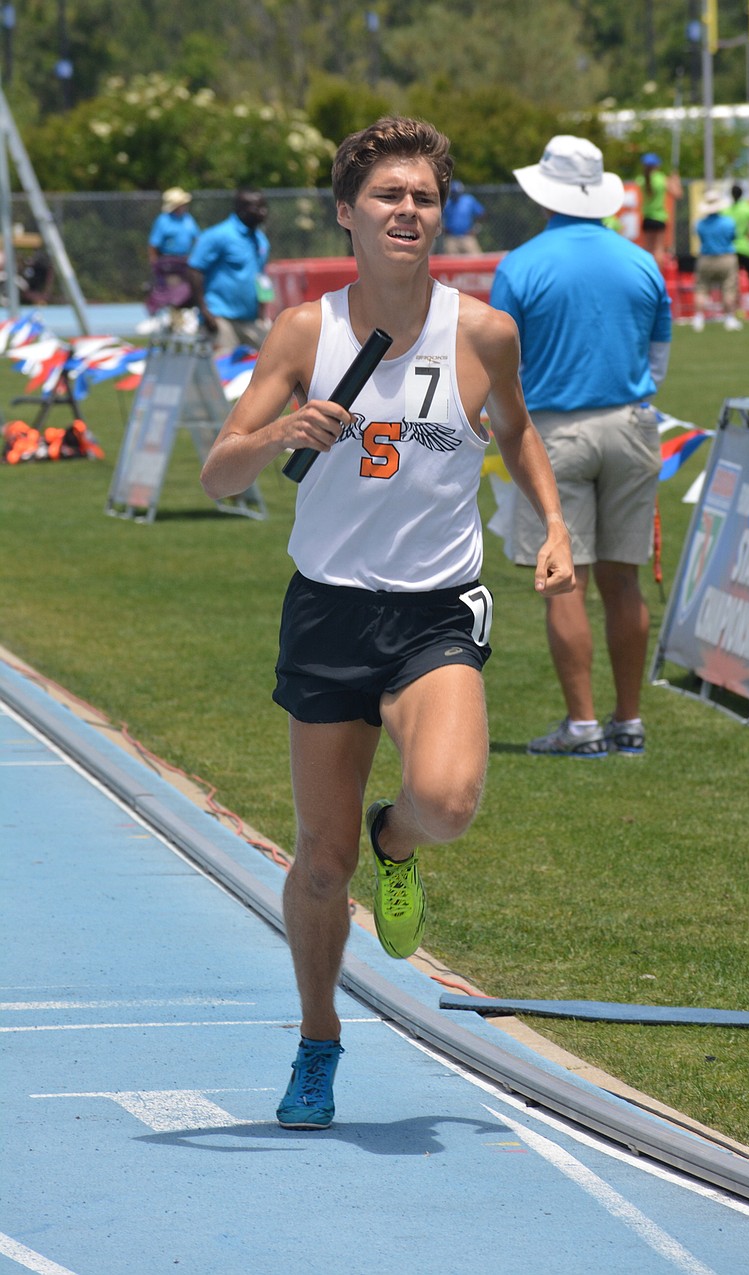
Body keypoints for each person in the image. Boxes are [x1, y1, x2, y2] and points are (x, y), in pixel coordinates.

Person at [199, 117, 575, 1128]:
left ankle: (395, 840)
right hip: (327, 609)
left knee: (446, 801)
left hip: (433, 610)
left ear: (438, 213)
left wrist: (551, 524)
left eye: (421, 196)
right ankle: (318, 1039)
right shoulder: (302, 335)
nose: (406, 210)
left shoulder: (483, 331)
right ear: (346, 215)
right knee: (321, 865)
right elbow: (218, 469)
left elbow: (518, 428)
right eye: (386, 196)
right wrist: (279, 428)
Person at [490, 135, 671, 759]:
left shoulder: (521, 265)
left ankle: (584, 725)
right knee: (624, 581)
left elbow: (498, 363)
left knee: (565, 580)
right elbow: (658, 358)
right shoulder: (641, 260)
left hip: (552, 433)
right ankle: (629, 721)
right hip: (631, 424)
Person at [188, 188, 272, 353]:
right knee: (223, 372)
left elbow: (261, 277)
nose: (263, 212)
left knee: (270, 361)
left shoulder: (260, 240)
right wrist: (205, 312)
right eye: (256, 208)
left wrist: (263, 310)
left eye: (264, 207)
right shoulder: (218, 235)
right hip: (220, 317)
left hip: (250, 319)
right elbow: (194, 270)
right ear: (240, 209)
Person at [692, 188, 742, 332]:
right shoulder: (728, 222)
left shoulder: (700, 224)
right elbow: (733, 237)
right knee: (729, 288)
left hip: (706, 258)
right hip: (726, 257)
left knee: (701, 288)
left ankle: (698, 318)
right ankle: (730, 318)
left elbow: (700, 238)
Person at [146, 186, 200, 317]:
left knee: (190, 289)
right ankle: (169, 316)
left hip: (186, 261)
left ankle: (185, 317)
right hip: (169, 263)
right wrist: (154, 263)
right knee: (172, 291)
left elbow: (197, 238)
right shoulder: (163, 220)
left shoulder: (188, 219)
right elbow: (153, 244)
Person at [637, 152, 681, 267]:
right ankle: (658, 274)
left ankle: (646, 272)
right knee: (659, 249)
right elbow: (677, 194)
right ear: (657, 165)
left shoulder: (641, 180)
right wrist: (676, 180)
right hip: (659, 217)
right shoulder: (662, 179)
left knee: (647, 248)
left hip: (647, 217)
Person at [442, 180, 485, 254]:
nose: (455, 195)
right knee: (450, 262)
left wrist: (476, 228)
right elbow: (437, 217)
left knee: (477, 259)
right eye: (453, 193)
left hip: (467, 237)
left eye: (457, 193)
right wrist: (443, 228)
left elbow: (482, 214)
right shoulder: (447, 203)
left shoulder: (468, 200)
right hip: (451, 238)